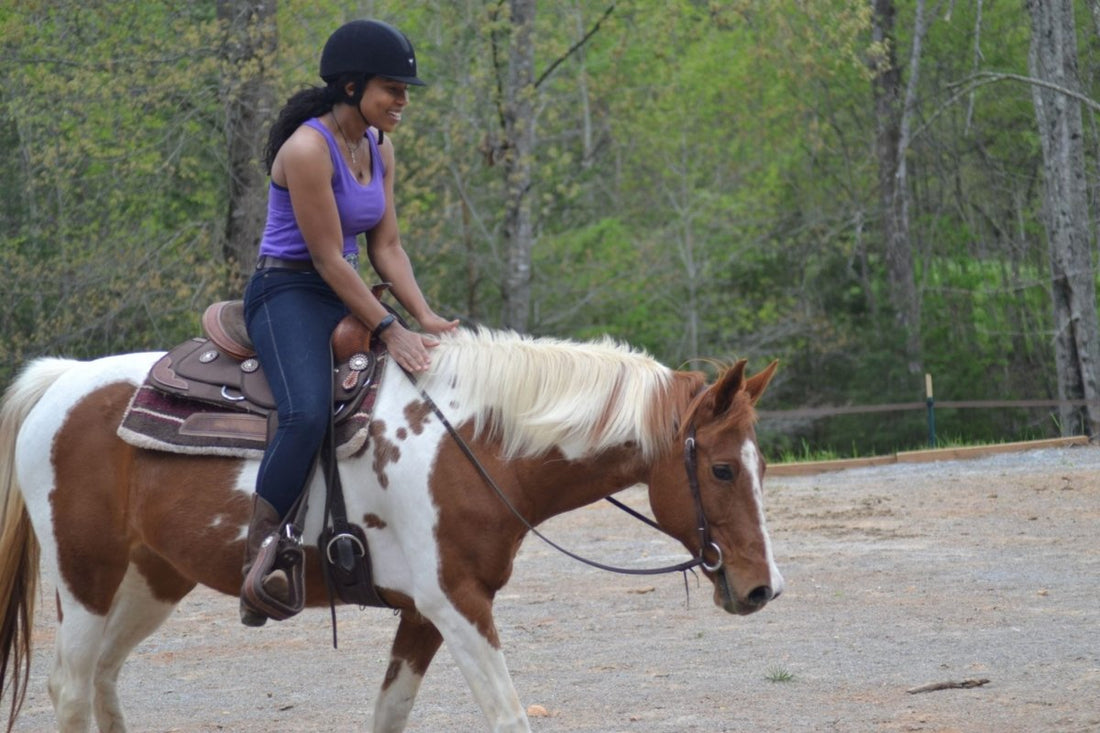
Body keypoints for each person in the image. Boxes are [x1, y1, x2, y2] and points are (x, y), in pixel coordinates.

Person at [239, 18, 458, 626]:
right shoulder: (308, 150)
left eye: (406, 91)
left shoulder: (381, 147)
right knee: (308, 411)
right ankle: (261, 554)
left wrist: (425, 316)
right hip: (288, 291)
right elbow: (327, 259)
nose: (403, 102)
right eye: (394, 88)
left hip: (349, 289)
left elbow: (386, 247)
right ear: (353, 85)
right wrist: (390, 328)